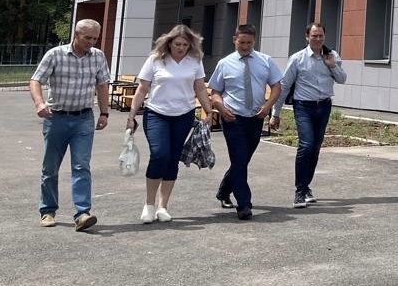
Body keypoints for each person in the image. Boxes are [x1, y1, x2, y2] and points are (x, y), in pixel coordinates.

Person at [124, 24, 216, 224]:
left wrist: (208, 110)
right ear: (169, 43)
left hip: (183, 115)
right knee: (160, 155)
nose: (181, 48)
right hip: (156, 113)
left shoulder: (195, 61)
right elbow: (142, 88)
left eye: (185, 44)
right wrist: (131, 115)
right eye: (177, 44)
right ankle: (149, 205)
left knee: (173, 158)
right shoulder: (156, 59)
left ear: (190, 45)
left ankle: (162, 206)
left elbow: (200, 88)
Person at [28, 19, 112, 231]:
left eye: (95, 38)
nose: (91, 42)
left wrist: (104, 112)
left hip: (83, 118)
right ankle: (47, 210)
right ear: (76, 34)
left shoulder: (98, 56)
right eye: (87, 38)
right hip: (56, 117)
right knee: (50, 167)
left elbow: (102, 85)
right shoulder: (55, 55)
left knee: (81, 166)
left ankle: (82, 213)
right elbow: (36, 80)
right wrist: (39, 103)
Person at [207, 23, 282, 220]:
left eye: (249, 42)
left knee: (242, 160)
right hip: (233, 118)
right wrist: (221, 108)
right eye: (242, 42)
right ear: (234, 40)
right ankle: (244, 204)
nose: (245, 46)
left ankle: (224, 191)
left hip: (256, 117)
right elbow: (215, 92)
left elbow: (277, 86)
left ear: (254, 41)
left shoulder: (265, 61)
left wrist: (268, 106)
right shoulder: (225, 63)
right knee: (239, 159)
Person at [271, 22, 347, 208]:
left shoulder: (332, 56)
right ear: (307, 37)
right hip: (303, 106)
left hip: (324, 106)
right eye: (314, 36)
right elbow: (285, 86)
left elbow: (342, 79)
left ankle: (306, 188)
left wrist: (332, 66)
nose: (318, 39)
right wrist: (276, 113)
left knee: (315, 148)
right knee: (306, 145)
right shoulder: (297, 59)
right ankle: (299, 191)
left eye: (321, 35)